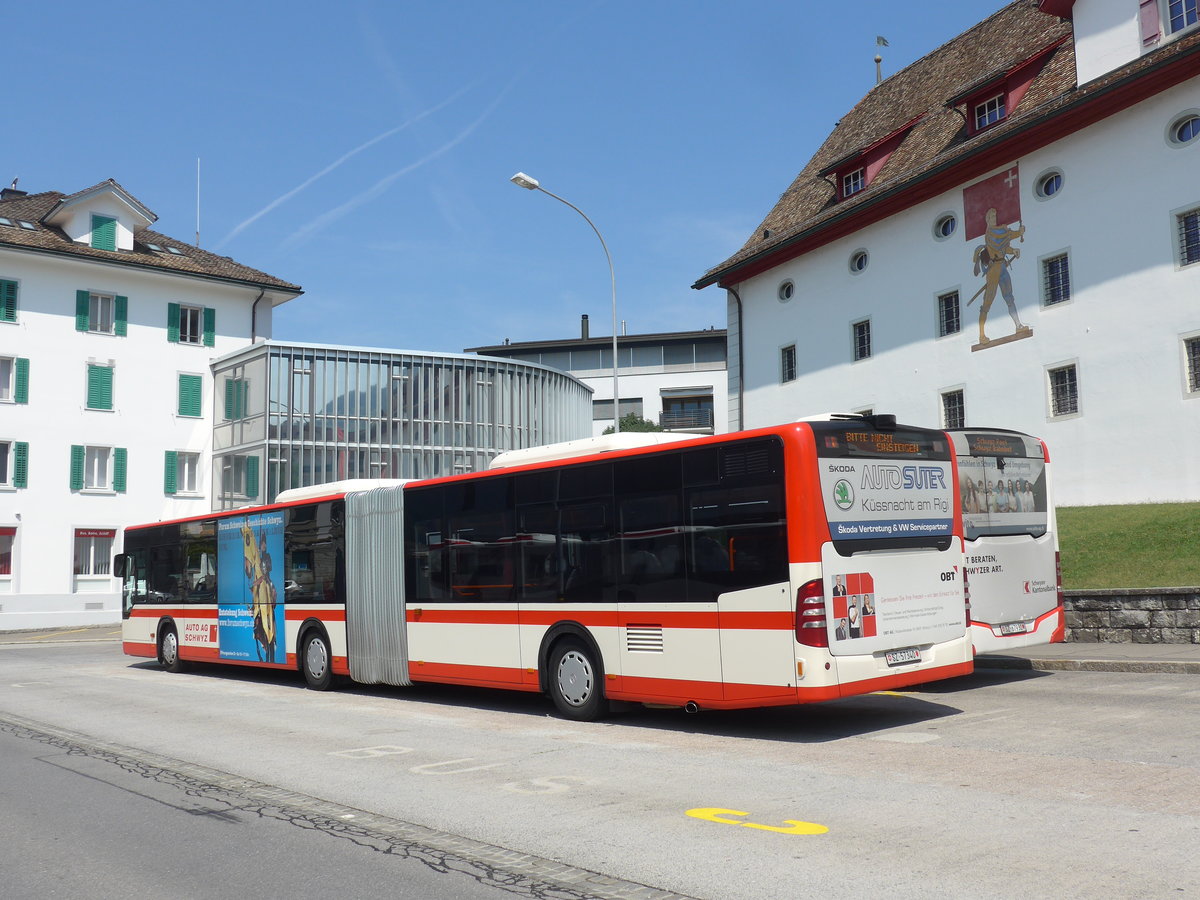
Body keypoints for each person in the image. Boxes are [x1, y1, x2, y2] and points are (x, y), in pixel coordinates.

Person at [972, 207, 1029, 343]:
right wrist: (1017, 233)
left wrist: (1013, 250)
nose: (994, 219)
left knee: (1009, 297)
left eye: (995, 217)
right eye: (991, 217)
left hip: (1002, 267)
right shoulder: (990, 233)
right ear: (987, 220)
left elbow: (1003, 248)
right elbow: (1001, 239)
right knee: (987, 303)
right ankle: (981, 335)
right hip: (993, 271)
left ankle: (1018, 325)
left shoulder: (998, 232)